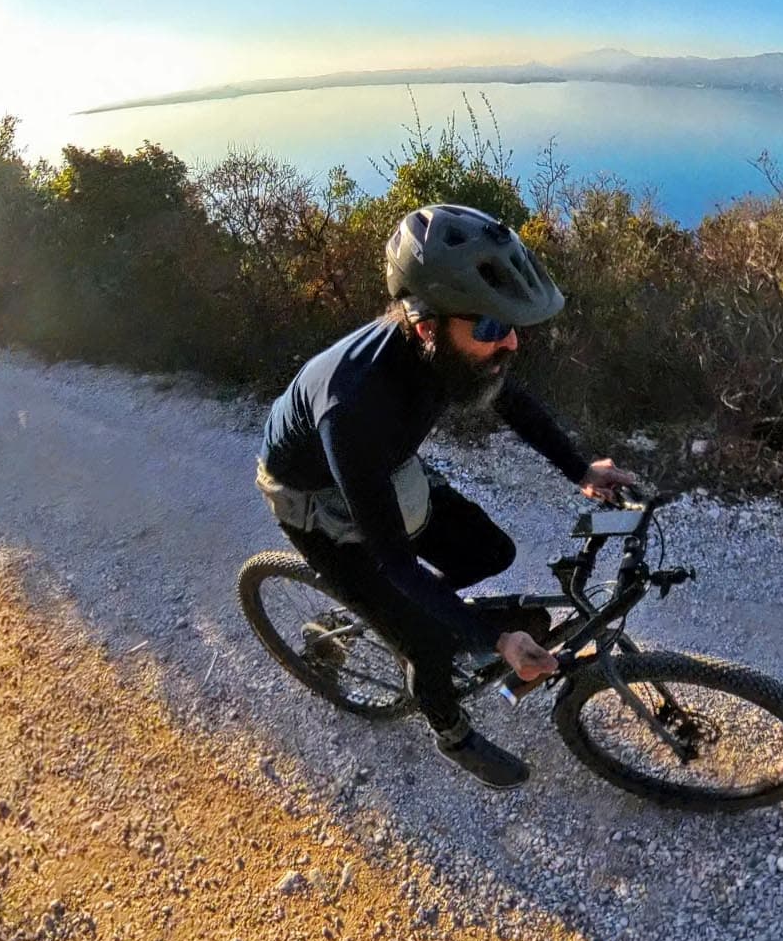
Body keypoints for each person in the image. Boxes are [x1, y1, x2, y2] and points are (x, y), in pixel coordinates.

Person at [255, 202, 636, 788]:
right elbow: (394, 558)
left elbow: (509, 399)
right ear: (428, 325)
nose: (507, 342)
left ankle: (389, 614)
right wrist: (492, 636)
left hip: (385, 465)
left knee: (490, 554)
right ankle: (448, 727)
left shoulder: (446, 351)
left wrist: (579, 467)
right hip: (316, 498)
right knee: (425, 638)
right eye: (487, 327)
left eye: (510, 325)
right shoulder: (353, 406)